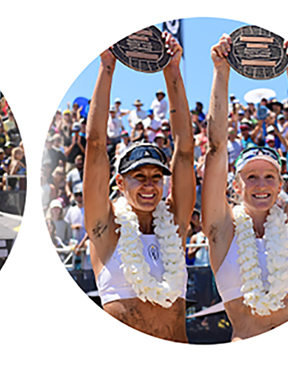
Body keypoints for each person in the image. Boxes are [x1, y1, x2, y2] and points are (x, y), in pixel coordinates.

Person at [202, 35, 288, 341]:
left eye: (269, 177)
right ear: (236, 186)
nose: (261, 185)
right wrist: (220, 72)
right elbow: (215, 148)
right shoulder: (222, 230)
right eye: (251, 177)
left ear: (281, 184)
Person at [83, 33, 194, 342]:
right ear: (120, 183)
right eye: (139, 177)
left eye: (156, 177)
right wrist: (107, 67)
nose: (149, 185)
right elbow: (95, 145)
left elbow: (185, 150)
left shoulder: (173, 222)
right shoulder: (105, 223)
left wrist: (172, 72)